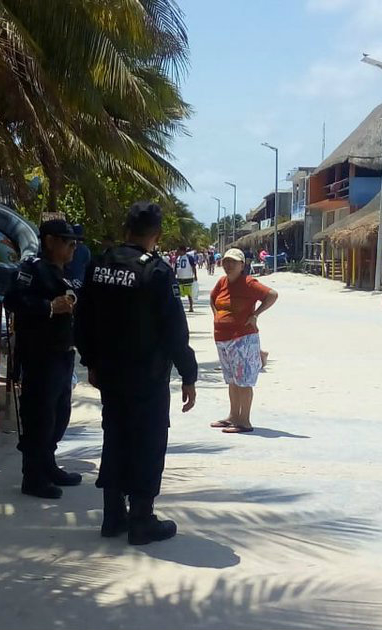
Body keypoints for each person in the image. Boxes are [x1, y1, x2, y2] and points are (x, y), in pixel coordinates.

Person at [75, 201, 197, 546]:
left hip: (110, 374)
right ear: (156, 236)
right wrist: (188, 374)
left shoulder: (98, 265)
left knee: (115, 437)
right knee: (147, 442)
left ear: (125, 229)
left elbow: (82, 319)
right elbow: (175, 330)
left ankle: (113, 516)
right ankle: (141, 519)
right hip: (147, 376)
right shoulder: (156, 272)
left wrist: (92, 362)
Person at [5, 220, 84, 499]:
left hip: (63, 354)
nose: (73, 247)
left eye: (75, 243)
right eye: (68, 241)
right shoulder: (31, 269)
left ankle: (48, 465)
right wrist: (49, 307)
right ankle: (33, 476)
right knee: (39, 417)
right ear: (50, 241)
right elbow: (14, 301)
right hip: (40, 355)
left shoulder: (66, 272)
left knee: (60, 415)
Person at [209, 248, 278, 433]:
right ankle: (233, 416)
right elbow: (212, 298)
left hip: (243, 338)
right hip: (223, 338)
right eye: (226, 262)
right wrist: (217, 316)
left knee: (244, 381)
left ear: (242, 265)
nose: (228, 265)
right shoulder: (222, 282)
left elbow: (272, 295)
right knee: (232, 379)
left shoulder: (248, 282)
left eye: (233, 262)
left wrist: (255, 315)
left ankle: (244, 421)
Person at [63, 224, 92, 289]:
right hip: (79, 282)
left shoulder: (67, 247)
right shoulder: (86, 250)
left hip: (66, 280)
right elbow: (87, 265)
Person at [173, 245, 198, 313]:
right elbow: (176, 267)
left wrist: (195, 276)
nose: (177, 251)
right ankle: (178, 307)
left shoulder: (189, 257)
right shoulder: (178, 258)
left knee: (189, 293)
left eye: (178, 250)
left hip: (187, 277)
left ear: (182, 251)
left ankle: (191, 306)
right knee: (178, 293)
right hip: (179, 278)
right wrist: (174, 275)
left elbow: (193, 267)